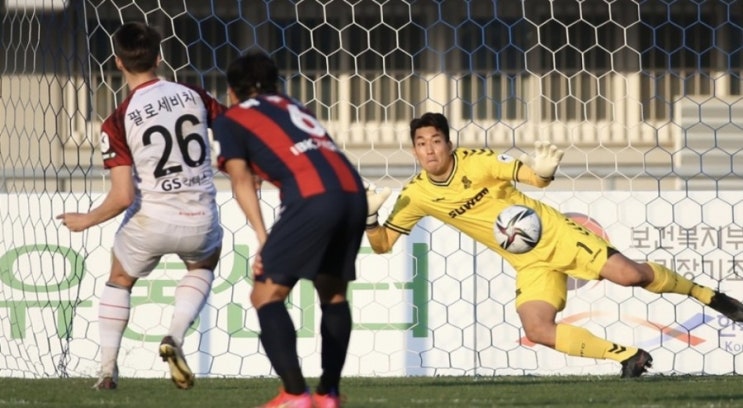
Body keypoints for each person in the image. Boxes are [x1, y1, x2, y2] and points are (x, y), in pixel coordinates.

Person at [364, 112, 743, 378]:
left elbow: (535, 178)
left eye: (435, 141)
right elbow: (382, 245)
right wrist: (369, 218)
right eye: (421, 144)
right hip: (529, 264)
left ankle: (708, 296)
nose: (429, 150)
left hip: (557, 235)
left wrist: (542, 172)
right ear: (414, 152)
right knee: (537, 328)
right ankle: (630, 357)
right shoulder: (416, 195)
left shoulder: (476, 162)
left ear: (449, 144)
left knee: (631, 276)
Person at [56, 22, 225, 390]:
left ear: (117, 62)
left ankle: (106, 370)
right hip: (200, 218)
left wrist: (88, 219)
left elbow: (123, 197)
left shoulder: (117, 120)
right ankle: (175, 337)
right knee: (204, 263)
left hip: (151, 220)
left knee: (119, 278)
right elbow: (234, 130)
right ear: (159, 57)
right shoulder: (194, 95)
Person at [211, 51, 367, 408]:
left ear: (232, 92)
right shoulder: (292, 105)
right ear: (275, 84)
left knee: (265, 295)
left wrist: (264, 240)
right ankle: (329, 394)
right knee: (332, 292)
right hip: (353, 192)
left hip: (313, 198)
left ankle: (295, 394)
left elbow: (241, 180)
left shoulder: (232, 118)